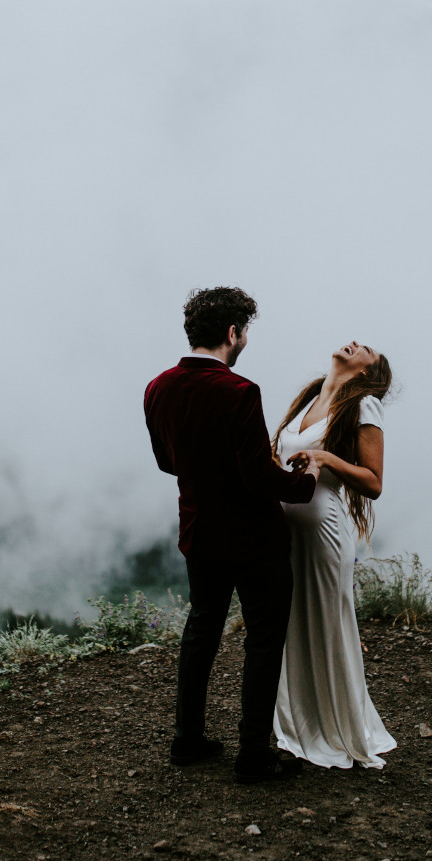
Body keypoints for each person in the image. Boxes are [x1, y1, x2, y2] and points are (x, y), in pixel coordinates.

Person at [143, 287, 321, 783]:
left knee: (201, 631)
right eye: (245, 332)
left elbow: (166, 461)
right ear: (232, 333)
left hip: (199, 532)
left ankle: (188, 739)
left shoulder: (157, 387)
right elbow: (257, 481)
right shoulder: (240, 392)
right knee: (264, 641)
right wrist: (304, 482)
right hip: (254, 539)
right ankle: (252, 755)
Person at [272, 341, 397, 769]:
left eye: (368, 350)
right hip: (284, 532)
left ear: (368, 373)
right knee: (290, 628)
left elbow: (373, 481)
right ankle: (299, 726)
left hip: (323, 531)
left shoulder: (363, 407)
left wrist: (325, 457)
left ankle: (340, 729)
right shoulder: (310, 398)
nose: (357, 343)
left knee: (326, 626)